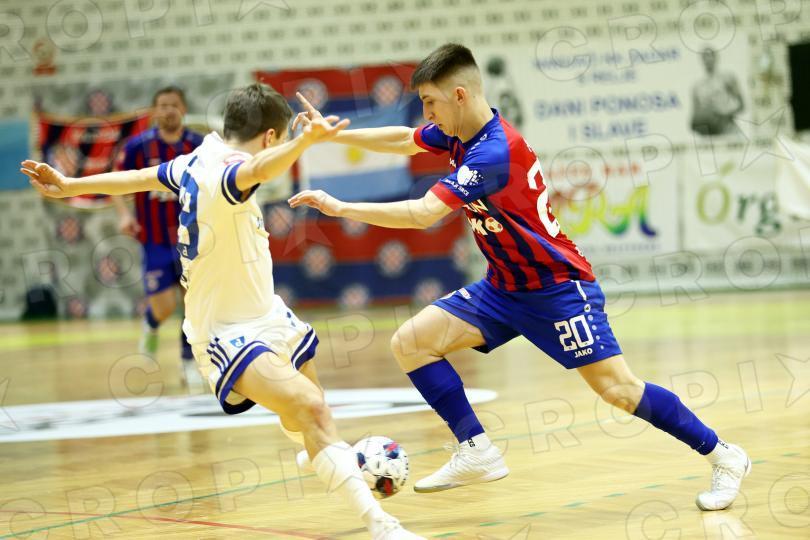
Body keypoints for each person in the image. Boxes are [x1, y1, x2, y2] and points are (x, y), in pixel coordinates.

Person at [289, 43, 751, 511]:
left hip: (556, 289)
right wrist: (336, 137)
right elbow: (406, 139)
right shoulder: (458, 132)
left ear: (460, 95)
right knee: (411, 342)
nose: (426, 114)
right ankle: (477, 450)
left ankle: (725, 456)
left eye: (430, 102)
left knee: (619, 390)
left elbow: (424, 213)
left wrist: (341, 207)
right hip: (503, 287)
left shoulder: (493, 152)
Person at [22, 83, 423, 540]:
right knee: (312, 409)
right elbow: (259, 168)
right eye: (279, 141)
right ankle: (381, 525)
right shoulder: (229, 173)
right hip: (226, 332)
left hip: (268, 313)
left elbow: (137, 178)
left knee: (311, 415)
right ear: (270, 137)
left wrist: (71, 185)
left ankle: (318, 454)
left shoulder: (194, 160)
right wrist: (304, 143)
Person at [111, 86, 204, 391]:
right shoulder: (138, 146)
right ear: (154, 111)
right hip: (154, 240)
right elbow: (116, 182)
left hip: (192, 238)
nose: (168, 110)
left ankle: (188, 362)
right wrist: (124, 215)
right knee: (163, 306)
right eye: (163, 105)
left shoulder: (198, 146)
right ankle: (151, 325)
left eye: (174, 104)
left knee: (192, 303)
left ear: (183, 109)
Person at [690, 47, 744, 136]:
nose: (708, 59)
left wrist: (724, 114)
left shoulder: (727, 78)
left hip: (729, 130)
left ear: (715, 57)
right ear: (702, 60)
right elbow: (695, 116)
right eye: (704, 56)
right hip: (710, 134)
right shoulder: (697, 87)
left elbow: (742, 105)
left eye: (709, 55)